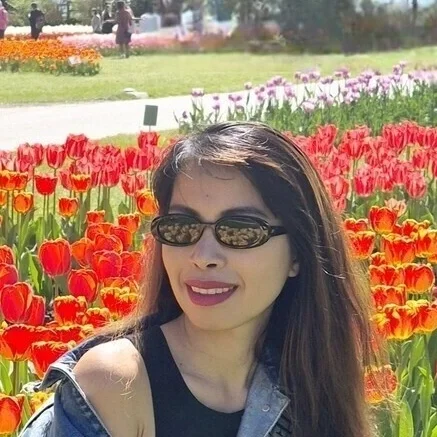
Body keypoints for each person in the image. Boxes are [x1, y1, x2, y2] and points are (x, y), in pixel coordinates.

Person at [20, 122, 381, 437]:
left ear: (298, 254)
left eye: (240, 230)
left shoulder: (312, 381)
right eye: (182, 227)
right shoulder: (117, 383)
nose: (203, 255)